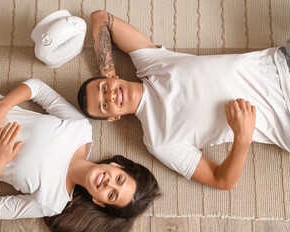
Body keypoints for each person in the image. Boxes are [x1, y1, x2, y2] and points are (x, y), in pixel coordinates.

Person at [78, 10, 290, 191]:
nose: (110, 95)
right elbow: (222, 180)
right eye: (104, 105)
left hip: (281, 64)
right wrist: (242, 138)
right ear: (113, 117)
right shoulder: (159, 141)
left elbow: (101, 18)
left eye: (103, 88)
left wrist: (108, 75)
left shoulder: (150, 64)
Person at [0, 67, 160, 232]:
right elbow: (38, 89)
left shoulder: (52, 202)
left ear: (99, 202)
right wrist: (2, 107)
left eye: (111, 195)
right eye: (119, 179)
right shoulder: (80, 129)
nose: (109, 183)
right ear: (117, 165)